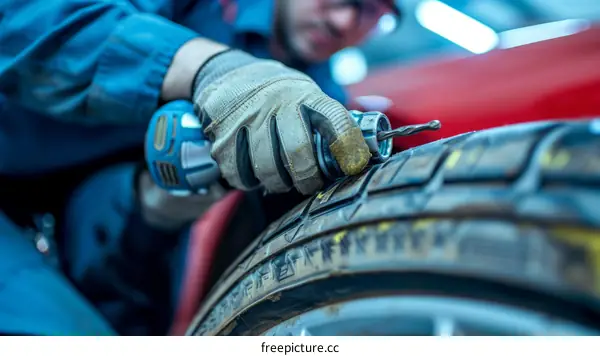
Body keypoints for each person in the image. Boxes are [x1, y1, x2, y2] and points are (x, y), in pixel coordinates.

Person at [0, 0, 400, 335]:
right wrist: (208, 67)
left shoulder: (316, 100)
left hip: (62, 218)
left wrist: (152, 210)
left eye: (374, 14)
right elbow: (26, 20)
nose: (344, 21)